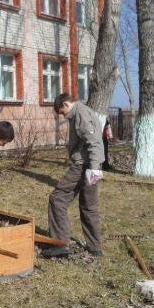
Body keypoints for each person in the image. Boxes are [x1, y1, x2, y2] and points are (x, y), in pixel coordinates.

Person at [43, 93, 104, 258]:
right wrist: (95, 166)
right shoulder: (83, 112)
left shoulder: (81, 113)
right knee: (89, 206)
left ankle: (60, 244)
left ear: (65, 104)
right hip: (91, 165)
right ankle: (95, 247)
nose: (63, 115)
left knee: (57, 199)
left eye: (61, 112)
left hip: (84, 165)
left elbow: (94, 141)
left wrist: (94, 167)